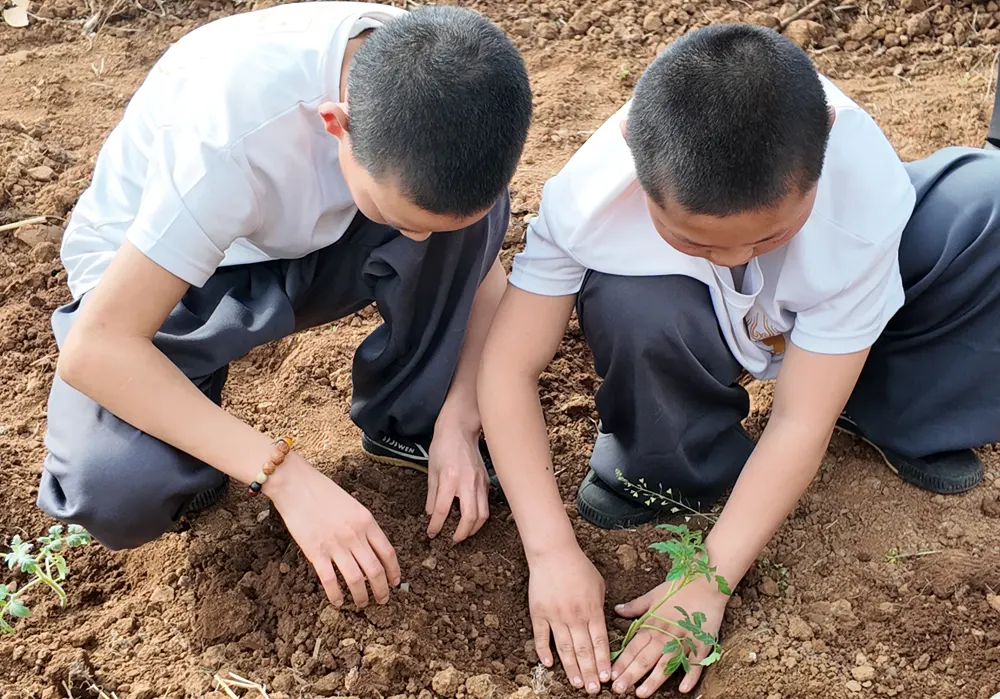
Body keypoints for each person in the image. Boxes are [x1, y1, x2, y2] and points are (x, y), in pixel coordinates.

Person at [480, 22, 999, 697]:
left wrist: (711, 575)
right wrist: (549, 550)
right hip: (690, 321)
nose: (734, 257)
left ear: (820, 163)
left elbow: (797, 422)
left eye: (771, 233)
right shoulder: (591, 196)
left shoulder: (860, 199)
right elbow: (507, 367)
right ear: (637, 164)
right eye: (694, 238)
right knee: (636, 304)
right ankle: (665, 457)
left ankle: (890, 408)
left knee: (985, 207)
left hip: (832, 310)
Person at [38, 2, 532, 611]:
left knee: (447, 226)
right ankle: (191, 439)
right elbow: (96, 348)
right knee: (117, 488)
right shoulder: (226, 136)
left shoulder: (453, 101)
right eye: (401, 218)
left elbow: (480, 272)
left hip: (317, 246)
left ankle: (411, 421)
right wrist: (283, 476)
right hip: (174, 282)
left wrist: (459, 416)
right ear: (336, 124)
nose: (420, 246)